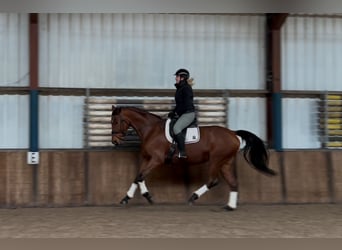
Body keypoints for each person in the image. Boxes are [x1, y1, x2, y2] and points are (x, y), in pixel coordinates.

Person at [168, 68, 196, 159]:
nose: (176, 78)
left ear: (182, 78)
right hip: (183, 113)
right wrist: (173, 112)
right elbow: (179, 104)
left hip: (188, 113)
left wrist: (176, 112)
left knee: (176, 128)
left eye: (177, 76)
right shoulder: (180, 88)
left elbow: (186, 105)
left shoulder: (186, 89)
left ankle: (182, 152)